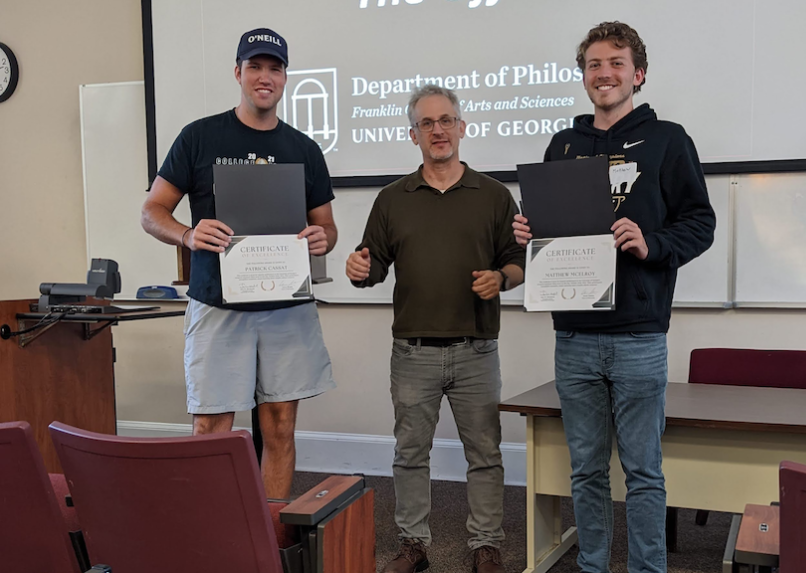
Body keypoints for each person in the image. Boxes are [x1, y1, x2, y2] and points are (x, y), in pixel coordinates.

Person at [513, 21, 716, 573]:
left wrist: (652, 243)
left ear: (638, 73)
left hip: (638, 335)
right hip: (574, 334)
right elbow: (553, 229)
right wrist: (530, 235)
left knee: (644, 470)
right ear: (583, 76)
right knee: (586, 470)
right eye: (594, 64)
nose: (605, 73)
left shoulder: (669, 140)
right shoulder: (563, 144)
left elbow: (701, 223)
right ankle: (593, 566)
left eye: (616, 63)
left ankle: (649, 568)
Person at [140, 28, 337, 499]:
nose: (264, 77)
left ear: (286, 77)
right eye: (255, 67)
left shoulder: (304, 149)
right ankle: (217, 538)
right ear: (238, 73)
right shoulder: (199, 136)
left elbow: (327, 230)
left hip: (286, 308)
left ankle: (266, 538)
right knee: (211, 427)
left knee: (282, 426)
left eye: (275, 68)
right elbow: (151, 212)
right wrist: (188, 234)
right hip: (218, 306)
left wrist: (319, 238)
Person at [346, 84, 525, 573]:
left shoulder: (493, 195)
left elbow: (517, 261)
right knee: (409, 454)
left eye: (446, 120)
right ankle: (413, 545)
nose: (438, 130)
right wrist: (360, 271)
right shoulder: (391, 199)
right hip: (413, 352)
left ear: (463, 128)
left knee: (485, 453)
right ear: (413, 135)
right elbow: (373, 265)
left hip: (476, 350)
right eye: (427, 123)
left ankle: (486, 544)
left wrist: (502, 278)